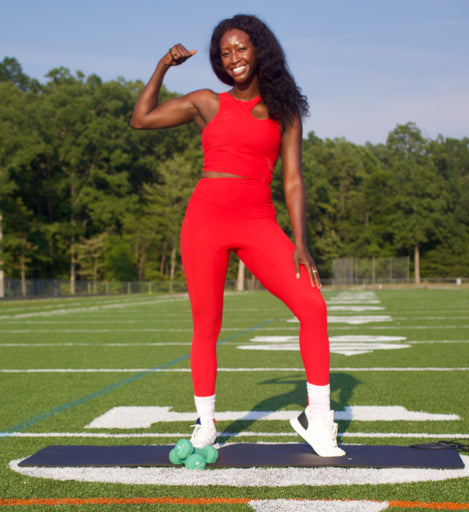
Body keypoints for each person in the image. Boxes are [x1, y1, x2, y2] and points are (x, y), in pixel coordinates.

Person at [130, 14, 345, 457]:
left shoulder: (283, 111)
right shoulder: (207, 102)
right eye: (225, 53)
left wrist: (300, 242)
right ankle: (205, 423)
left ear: (259, 50)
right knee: (206, 325)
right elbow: (141, 119)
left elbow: (292, 180)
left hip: (258, 221)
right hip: (204, 221)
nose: (234, 58)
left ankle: (318, 418)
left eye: (241, 49)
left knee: (313, 305)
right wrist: (162, 65)